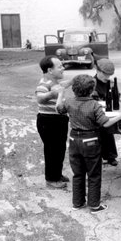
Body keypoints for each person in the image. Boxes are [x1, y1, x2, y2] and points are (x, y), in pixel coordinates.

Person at [56, 74, 121, 214]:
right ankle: (94, 205)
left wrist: (61, 92)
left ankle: (77, 202)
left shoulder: (69, 101)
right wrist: (120, 116)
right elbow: (105, 123)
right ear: (92, 89)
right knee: (93, 174)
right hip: (90, 140)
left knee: (78, 173)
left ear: (74, 89)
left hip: (74, 140)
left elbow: (58, 108)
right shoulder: (94, 105)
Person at [35, 56, 71, 189]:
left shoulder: (55, 82)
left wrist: (74, 80)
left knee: (60, 148)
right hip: (48, 121)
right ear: (50, 70)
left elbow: (63, 85)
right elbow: (40, 98)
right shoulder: (44, 83)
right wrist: (52, 94)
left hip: (59, 120)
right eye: (60, 66)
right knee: (52, 150)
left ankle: (57, 174)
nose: (63, 68)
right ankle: (51, 178)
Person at [92, 58, 119, 166]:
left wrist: (113, 89)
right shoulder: (91, 82)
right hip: (95, 112)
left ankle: (110, 156)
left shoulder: (110, 83)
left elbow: (117, 98)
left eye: (109, 75)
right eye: (105, 74)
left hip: (107, 112)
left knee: (109, 128)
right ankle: (99, 157)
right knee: (102, 128)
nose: (107, 77)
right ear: (98, 71)